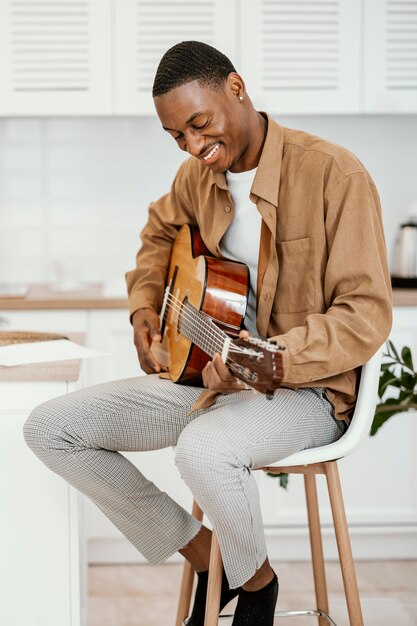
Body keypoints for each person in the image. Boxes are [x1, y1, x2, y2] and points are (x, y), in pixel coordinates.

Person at [23, 41, 392, 626]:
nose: (195, 147)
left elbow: (365, 314)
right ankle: (208, 556)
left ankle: (255, 589)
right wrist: (147, 307)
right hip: (210, 380)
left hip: (306, 392)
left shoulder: (332, 174)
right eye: (179, 138)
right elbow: (157, 234)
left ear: (236, 88)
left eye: (201, 124)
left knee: (203, 449)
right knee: (51, 427)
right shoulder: (197, 177)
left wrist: (263, 357)